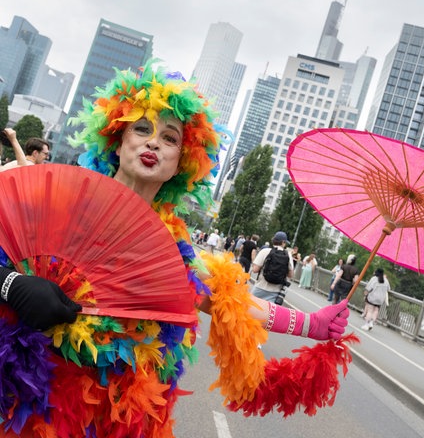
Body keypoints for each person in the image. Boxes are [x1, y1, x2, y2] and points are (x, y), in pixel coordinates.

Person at [0, 61, 350, 437]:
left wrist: (311, 324)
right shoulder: (59, 196)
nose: (154, 142)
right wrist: (11, 285)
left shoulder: (171, 244)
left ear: (181, 162)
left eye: (169, 138)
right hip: (29, 394)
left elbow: (222, 300)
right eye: (141, 128)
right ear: (118, 143)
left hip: (108, 416)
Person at [251, 231, 293, 302]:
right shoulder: (288, 255)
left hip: (260, 287)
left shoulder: (265, 251)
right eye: (285, 242)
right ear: (283, 242)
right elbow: (290, 275)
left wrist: (254, 261)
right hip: (275, 291)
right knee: (267, 312)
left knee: (249, 309)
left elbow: (255, 270)